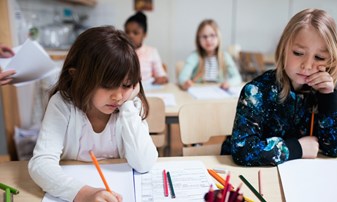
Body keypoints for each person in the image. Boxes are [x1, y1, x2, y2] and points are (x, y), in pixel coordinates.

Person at [28, 26, 158, 202]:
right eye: (107, 85)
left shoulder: (130, 105)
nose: (118, 96)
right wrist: (83, 194)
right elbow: (41, 165)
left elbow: (144, 163)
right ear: (77, 76)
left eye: (126, 85)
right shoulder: (62, 104)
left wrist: (128, 108)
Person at [221, 8, 337, 166]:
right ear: (284, 50)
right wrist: (297, 148)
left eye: (319, 57)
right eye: (298, 52)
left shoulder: (321, 95)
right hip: (251, 175)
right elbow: (242, 150)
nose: (307, 65)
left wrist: (328, 98)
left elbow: (336, 148)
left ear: (331, 61)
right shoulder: (257, 91)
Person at [178, 19, 242, 90]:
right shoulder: (194, 56)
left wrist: (229, 83)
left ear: (218, 37)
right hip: (199, 92)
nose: (208, 39)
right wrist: (185, 82)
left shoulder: (225, 56)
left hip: (218, 92)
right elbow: (182, 77)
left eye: (212, 35)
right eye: (204, 36)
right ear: (198, 40)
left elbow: (237, 77)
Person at [124, 11, 168, 85]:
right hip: (126, 92)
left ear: (144, 35)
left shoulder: (152, 51)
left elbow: (162, 76)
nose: (130, 36)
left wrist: (162, 78)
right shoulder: (119, 51)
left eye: (135, 33)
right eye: (127, 32)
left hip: (148, 89)